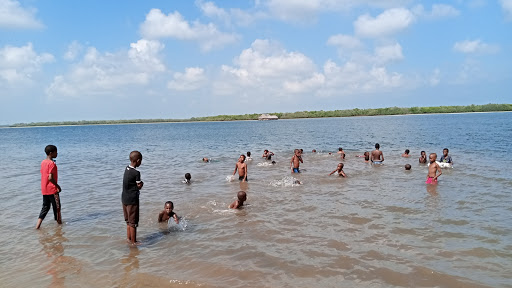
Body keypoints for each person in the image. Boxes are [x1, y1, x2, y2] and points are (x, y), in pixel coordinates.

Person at [36, 145, 62, 229]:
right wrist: (58, 186)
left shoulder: (43, 162)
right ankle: (59, 227)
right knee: (57, 209)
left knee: (45, 207)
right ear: (51, 153)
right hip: (52, 190)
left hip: (44, 189)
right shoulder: (52, 164)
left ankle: (37, 226)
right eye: (55, 152)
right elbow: (50, 177)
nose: (57, 153)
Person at [122, 151, 144, 245]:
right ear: (138, 160)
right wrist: (141, 184)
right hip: (132, 200)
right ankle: (134, 242)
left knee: (128, 221)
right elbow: (138, 185)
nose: (141, 163)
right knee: (133, 222)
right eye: (140, 161)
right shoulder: (136, 173)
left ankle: (128, 239)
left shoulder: (126, 168)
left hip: (124, 198)